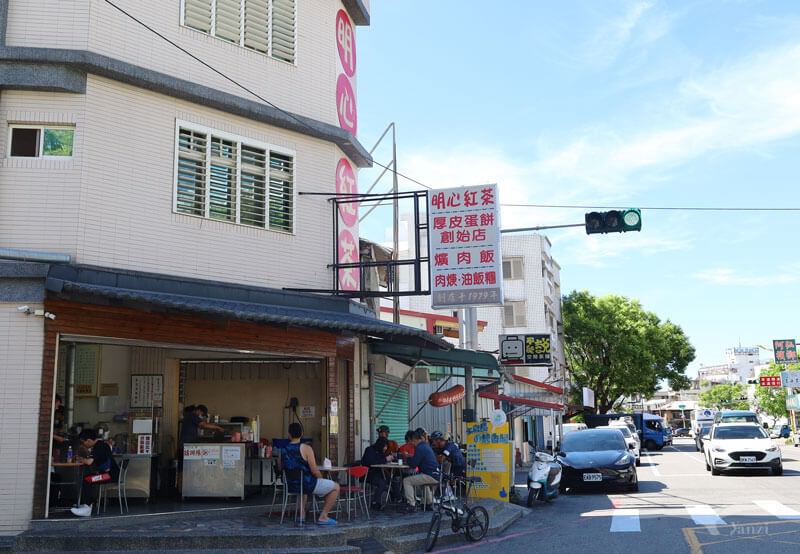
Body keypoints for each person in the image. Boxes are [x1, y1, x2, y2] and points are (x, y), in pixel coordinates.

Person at [281, 422, 340, 525]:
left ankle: (302, 515)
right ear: (302, 433)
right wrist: (321, 479)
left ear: (289, 434)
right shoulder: (306, 448)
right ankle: (323, 516)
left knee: (302, 489)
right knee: (336, 487)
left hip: (291, 485)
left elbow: (280, 467)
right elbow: (314, 470)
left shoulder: (283, 450)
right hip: (308, 484)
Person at [70, 429, 120, 517]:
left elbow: (89, 462)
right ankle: (85, 504)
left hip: (109, 475)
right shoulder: (101, 445)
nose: (83, 445)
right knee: (86, 477)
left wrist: (79, 458)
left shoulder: (99, 446)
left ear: (89, 440)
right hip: (109, 473)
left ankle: (87, 508)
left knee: (87, 480)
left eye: (83, 442)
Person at [401, 430, 439, 513]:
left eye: (412, 441)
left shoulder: (420, 448)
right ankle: (429, 503)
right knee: (422, 480)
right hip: (435, 474)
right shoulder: (426, 446)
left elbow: (413, 464)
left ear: (415, 439)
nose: (412, 444)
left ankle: (411, 505)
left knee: (406, 481)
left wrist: (408, 457)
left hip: (430, 475)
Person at [361, 437, 392, 510]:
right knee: (382, 483)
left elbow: (381, 459)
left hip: (378, 473)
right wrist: (385, 459)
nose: (385, 448)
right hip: (368, 474)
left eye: (386, 446)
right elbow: (372, 462)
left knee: (391, 479)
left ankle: (397, 498)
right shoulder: (369, 450)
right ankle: (375, 502)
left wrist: (390, 458)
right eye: (385, 446)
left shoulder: (380, 452)